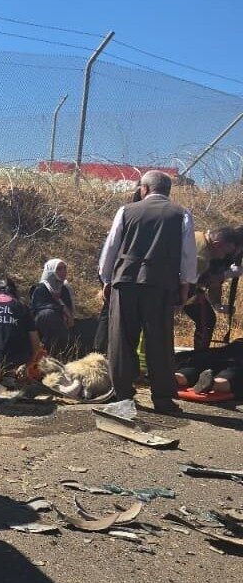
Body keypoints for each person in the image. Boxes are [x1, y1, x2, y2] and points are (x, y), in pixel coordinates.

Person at [97, 170, 196, 413]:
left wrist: (106, 279)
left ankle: (122, 394)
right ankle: (162, 398)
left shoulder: (126, 211)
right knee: (159, 341)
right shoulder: (181, 214)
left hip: (126, 282)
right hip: (160, 284)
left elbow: (111, 247)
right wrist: (185, 285)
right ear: (167, 191)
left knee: (121, 339)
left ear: (144, 188)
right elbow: (188, 255)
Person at [182, 227, 242, 350]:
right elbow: (205, 279)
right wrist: (226, 275)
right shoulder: (217, 252)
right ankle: (199, 358)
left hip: (179, 285)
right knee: (207, 321)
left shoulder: (208, 240)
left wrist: (216, 303)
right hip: (182, 288)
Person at [0, 277, 42, 381]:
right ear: (15, 292)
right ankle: (17, 369)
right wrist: (29, 363)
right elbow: (35, 342)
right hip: (14, 357)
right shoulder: (22, 306)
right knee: (26, 337)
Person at [30, 258, 75, 355]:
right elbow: (39, 310)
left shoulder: (65, 289)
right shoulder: (40, 289)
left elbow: (70, 312)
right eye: (59, 269)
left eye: (64, 268)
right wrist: (61, 308)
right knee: (48, 315)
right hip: (45, 328)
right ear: (51, 271)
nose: (63, 271)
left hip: (64, 324)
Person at [173, 338, 243, 400]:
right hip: (231, 356)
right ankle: (212, 384)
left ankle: (175, 378)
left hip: (220, 354)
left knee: (199, 366)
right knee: (233, 372)